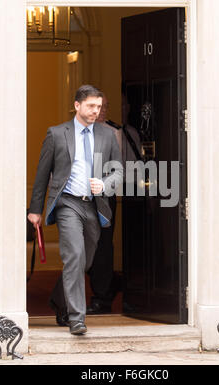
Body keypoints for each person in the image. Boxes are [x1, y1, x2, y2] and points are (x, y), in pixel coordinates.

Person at [28, 85, 123, 335]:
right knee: (74, 256)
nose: (96, 111)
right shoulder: (57, 134)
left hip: (94, 205)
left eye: (99, 106)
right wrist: (35, 209)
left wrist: (104, 183)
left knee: (85, 260)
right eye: (91, 106)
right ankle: (76, 318)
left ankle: (59, 299)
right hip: (67, 203)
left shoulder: (107, 135)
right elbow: (42, 174)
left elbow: (120, 172)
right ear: (77, 105)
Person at [86, 95, 122, 314]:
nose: (102, 110)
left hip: (104, 195)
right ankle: (111, 283)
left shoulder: (114, 133)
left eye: (105, 106)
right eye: (97, 106)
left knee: (102, 245)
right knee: (82, 245)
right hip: (79, 195)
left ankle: (102, 296)